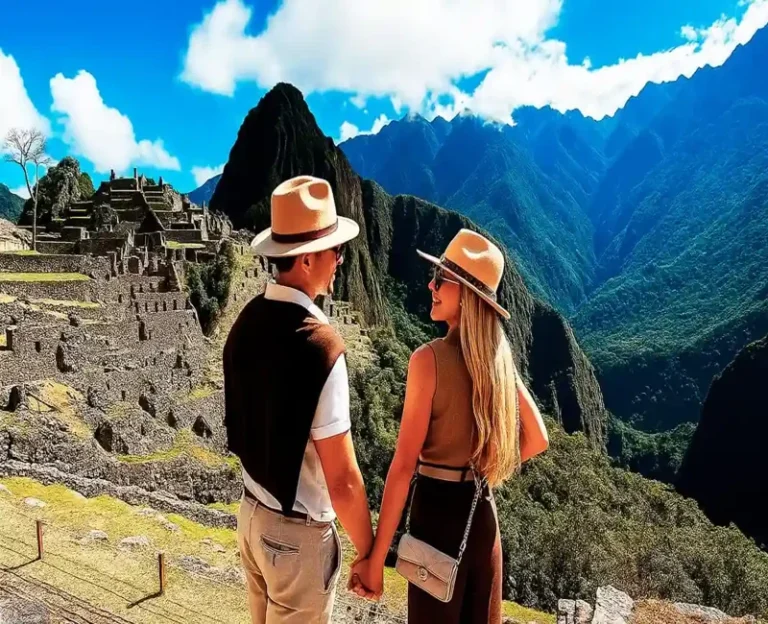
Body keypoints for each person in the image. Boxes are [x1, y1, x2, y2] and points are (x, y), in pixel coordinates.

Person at [350, 228, 550, 623]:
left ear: (466, 295)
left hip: (436, 520)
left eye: (442, 279)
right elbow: (538, 438)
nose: (432, 285)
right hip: (482, 519)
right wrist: (486, 473)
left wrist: (377, 559)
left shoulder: (427, 361)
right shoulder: (498, 366)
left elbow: (403, 467)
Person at [223, 175, 377, 624]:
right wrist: (368, 553)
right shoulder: (320, 348)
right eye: (335, 251)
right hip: (296, 540)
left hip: (252, 519)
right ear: (307, 259)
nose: (340, 261)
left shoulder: (246, 320)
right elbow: (344, 478)